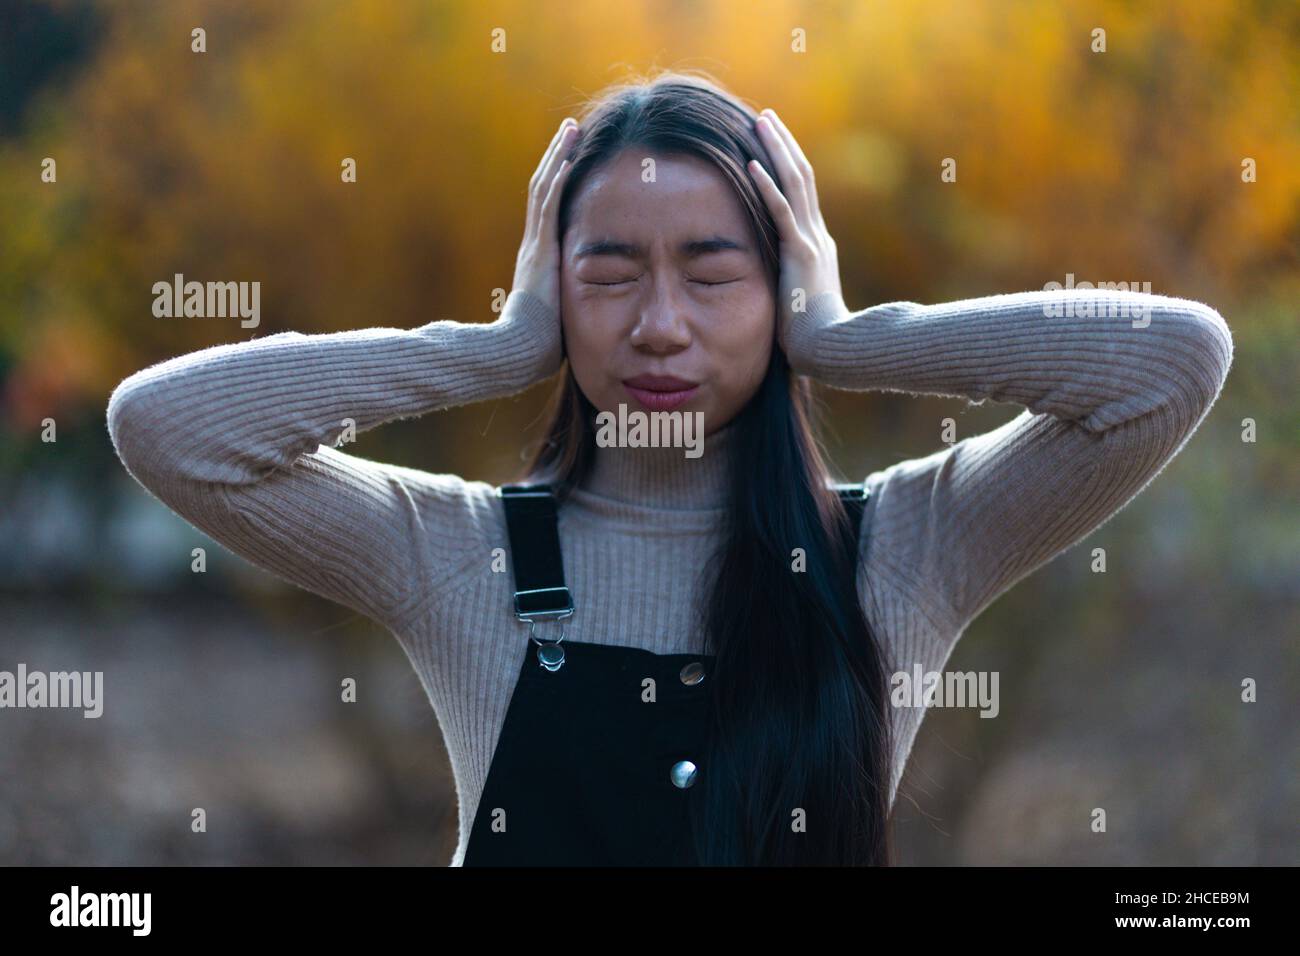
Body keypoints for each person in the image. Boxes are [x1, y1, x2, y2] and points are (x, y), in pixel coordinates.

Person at [105, 70, 1234, 866]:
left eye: (711, 272)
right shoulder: (460, 553)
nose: (657, 324)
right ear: (556, 288)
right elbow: (170, 426)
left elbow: (1174, 361)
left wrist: (844, 337)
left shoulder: (905, 546)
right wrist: (497, 347)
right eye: (608, 274)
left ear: (780, 282)